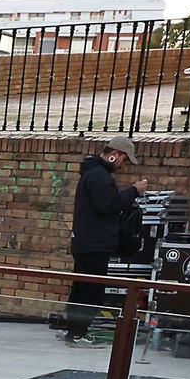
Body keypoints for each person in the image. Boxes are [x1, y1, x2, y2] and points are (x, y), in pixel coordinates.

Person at [66, 134, 147, 346]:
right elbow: (107, 205)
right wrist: (133, 192)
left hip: (87, 242)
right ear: (114, 155)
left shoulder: (93, 174)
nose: (123, 164)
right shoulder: (100, 176)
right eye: (123, 159)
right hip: (95, 243)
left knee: (81, 288)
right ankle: (78, 333)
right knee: (91, 291)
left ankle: (74, 331)